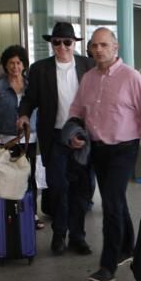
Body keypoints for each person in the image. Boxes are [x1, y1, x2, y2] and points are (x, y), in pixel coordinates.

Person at [68, 28, 141, 281]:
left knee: (110, 203)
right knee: (116, 199)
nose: (99, 50)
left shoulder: (132, 78)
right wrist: (75, 132)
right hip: (97, 150)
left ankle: (107, 266)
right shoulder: (88, 79)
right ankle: (128, 248)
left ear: (115, 47)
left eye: (104, 45)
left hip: (124, 149)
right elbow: (76, 111)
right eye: (94, 45)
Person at [17, 22, 93, 255]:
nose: (61, 47)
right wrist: (23, 115)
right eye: (56, 42)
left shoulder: (88, 66)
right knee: (58, 188)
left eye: (67, 42)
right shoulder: (40, 69)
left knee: (82, 189)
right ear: (51, 44)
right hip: (56, 136)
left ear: (74, 44)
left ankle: (78, 236)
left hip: (83, 135)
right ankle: (59, 235)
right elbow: (30, 99)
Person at [0, 45, 45, 229]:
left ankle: (32, 214)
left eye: (18, 63)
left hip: (30, 140)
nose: (15, 67)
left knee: (30, 177)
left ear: (24, 64)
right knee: (9, 179)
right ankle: (9, 214)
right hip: (6, 140)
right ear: (5, 65)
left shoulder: (31, 86)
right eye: (11, 63)